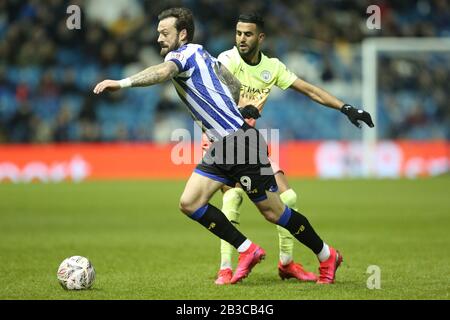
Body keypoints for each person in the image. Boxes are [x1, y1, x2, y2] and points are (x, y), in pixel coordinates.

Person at [93, 7, 363, 285]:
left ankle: (326, 254)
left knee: (275, 212)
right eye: (158, 33)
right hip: (223, 145)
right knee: (190, 202)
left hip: (239, 143)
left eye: (165, 33)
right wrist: (236, 106)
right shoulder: (202, 53)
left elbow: (162, 72)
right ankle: (248, 250)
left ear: (182, 34)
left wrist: (122, 82)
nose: (159, 38)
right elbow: (232, 84)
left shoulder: (180, 56)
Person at [209, 13, 375, 285]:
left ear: (260, 38)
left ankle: (286, 263)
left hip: (248, 142)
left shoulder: (272, 68)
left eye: (248, 34)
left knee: (289, 197)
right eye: (238, 33)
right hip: (220, 139)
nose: (241, 39)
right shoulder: (226, 60)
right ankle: (225, 268)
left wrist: (345, 108)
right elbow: (217, 97)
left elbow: (309, 90)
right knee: (232, 197)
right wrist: (238, 109)